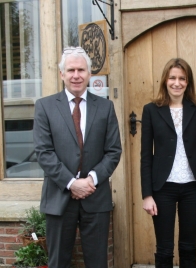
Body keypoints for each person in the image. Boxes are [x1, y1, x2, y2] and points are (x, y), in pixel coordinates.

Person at [33, 46, 122, 268]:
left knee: (97, 262)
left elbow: (113, 151)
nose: (76, 75)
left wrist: (91, 180)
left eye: (81, 70)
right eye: (71, 70)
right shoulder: (44, 107)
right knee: (58, 262)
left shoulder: (105, 107)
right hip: (58, 197)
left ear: (89, 74)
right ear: (62, 74)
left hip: (96, 197)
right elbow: (43, 152)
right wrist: (72, 183)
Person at [141, 58, 196, 268]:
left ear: (188, 82)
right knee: (164, 249)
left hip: (193, 187)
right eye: (172, 77)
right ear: (165, 80)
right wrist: (147, 195)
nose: (177, 82)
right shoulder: (151, 110)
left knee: (188, 247)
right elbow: (146, 156)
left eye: (182, 78)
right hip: (162, 188)